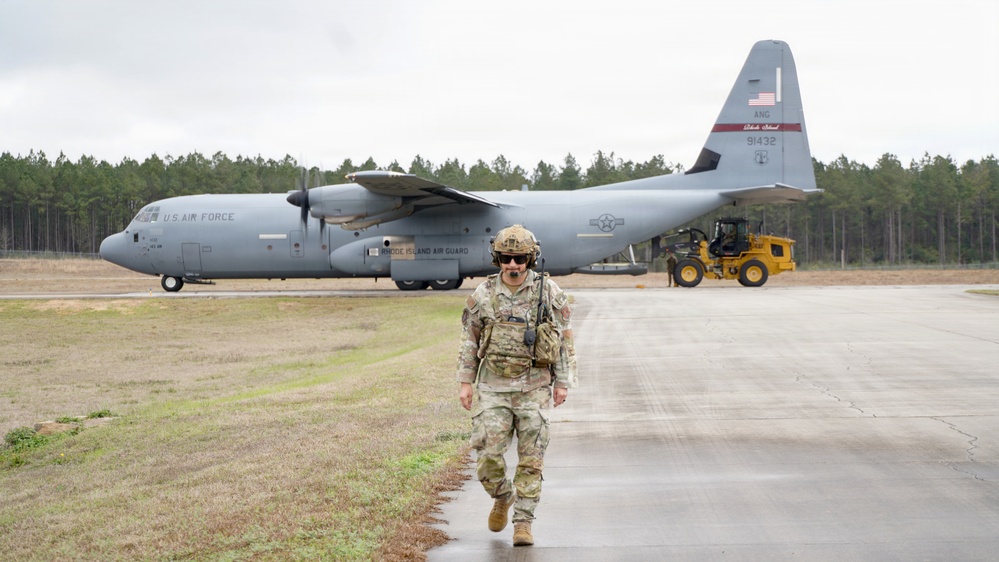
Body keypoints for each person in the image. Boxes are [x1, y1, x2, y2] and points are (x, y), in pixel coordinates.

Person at [456, 224, 577, 547]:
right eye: (507, 258)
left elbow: (564, 337)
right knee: (487, 457)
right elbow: (470, 342)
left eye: (520, 258)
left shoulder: (547, 291)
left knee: (531, 459)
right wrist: (465, 382)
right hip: (493, 386)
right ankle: (503, 495)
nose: (513, 265)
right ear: (497, 258)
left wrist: (563, 381)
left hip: (534, 387)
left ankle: (523, 523)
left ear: (530, 259)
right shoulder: (483, 294)